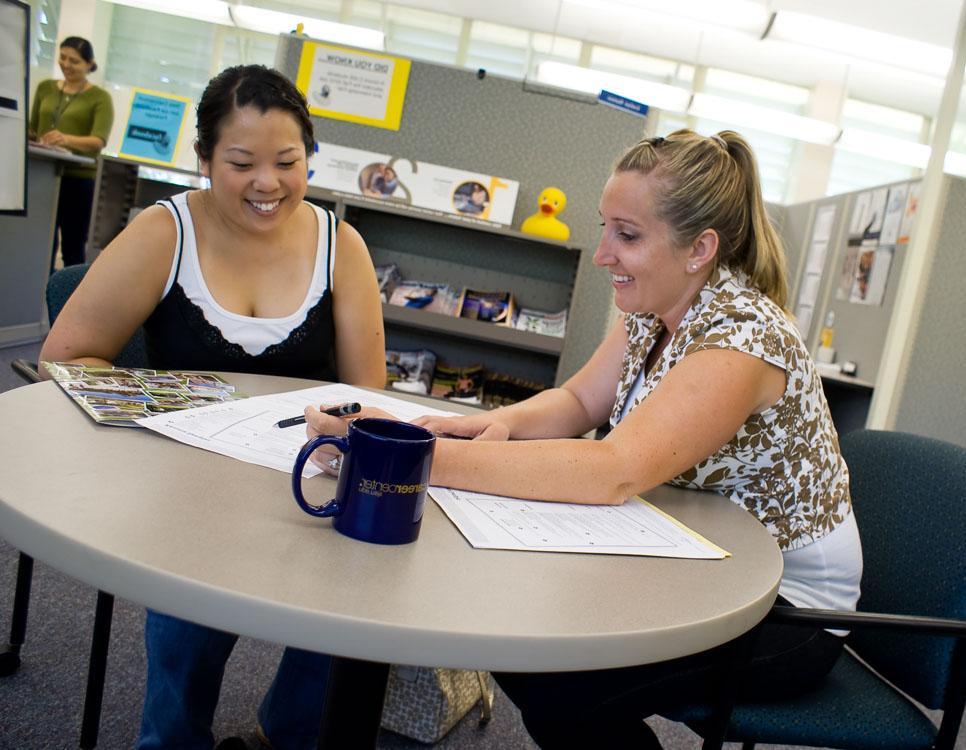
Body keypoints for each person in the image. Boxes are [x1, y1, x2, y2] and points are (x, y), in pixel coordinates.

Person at [306, 129, 862, 748]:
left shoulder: (744, 336)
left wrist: (415, 458)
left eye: (627, 235)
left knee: (555, 675)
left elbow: (613, 469)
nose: (602, 255)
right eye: (606, 228)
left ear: (700, 248)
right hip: (699, 550)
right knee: (532, 639)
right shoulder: (658, 305)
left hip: (782, 605)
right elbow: (577, 401)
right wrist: (501, 425)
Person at [40, 64, 386, 750]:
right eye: (241, 163)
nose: (269, 183)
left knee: (348, 616)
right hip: (187, 492)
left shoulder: (340, 246)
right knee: (186, 638)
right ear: (203, 160)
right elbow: (66, 356)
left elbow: (367, 398)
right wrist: (172, 402)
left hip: (304, 490)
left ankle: (280, 734)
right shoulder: (165, 231)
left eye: (289, 162)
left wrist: (344, 423)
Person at [28, 36, 114, 268]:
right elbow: (32, 128)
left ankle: (67, 300)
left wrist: (65, 139)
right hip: (41, 176)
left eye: (74, 61)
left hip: (78, 181)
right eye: (63, 58)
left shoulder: (100, 98)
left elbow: (98, 141)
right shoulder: (45, 88)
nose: (66, 65)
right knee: (38, 244)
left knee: (73, 248)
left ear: (89, 64)